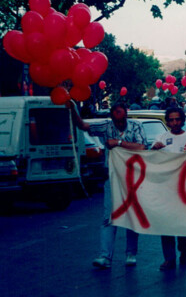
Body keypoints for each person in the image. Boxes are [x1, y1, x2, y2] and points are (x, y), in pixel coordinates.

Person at [70, 102, 147, 269]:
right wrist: (73, 109)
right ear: (112, 117)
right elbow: (83, 125)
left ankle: (131, 253)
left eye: (121, 119)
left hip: (132, 178)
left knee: (132, 216)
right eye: (115, 119)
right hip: (111, 177)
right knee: (108, 217)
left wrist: (118, 143)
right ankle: (105, 256)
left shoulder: (136, 126)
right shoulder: (106, 126)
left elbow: (141, 147)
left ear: (126, 114)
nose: (119, 123)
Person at [151, 107, 186, 271]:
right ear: (167, 121)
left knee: (182, 222)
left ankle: (184, 248)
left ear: (183, 120)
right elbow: (152, 160)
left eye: (177, 119)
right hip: (165, 187)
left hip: (185, 188)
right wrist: (154, 150)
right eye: (171, 120)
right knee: (166, 223)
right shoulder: (161, 138)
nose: (174, 123)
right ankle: (169, 258)